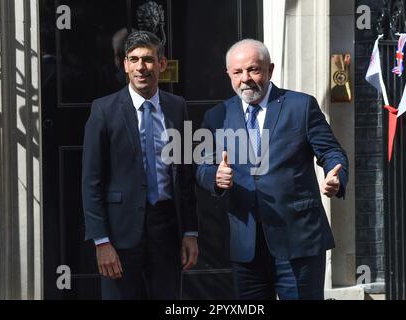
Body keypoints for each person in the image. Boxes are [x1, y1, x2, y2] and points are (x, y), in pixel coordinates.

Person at [196, 39, 348, 300]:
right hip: (246, 245)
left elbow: (332, 151)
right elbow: (203, 167)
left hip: (298, 239)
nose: (246, 79)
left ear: (270, 69)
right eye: (238, 72)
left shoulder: (300, 106)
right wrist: (215, 177)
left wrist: (335, 173)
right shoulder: (217, 116)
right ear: (229, 75)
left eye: (254, 69)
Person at [82, 30, 198, 300]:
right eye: (133, 60)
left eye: (147, 59)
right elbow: (91, 181)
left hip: (166, 230)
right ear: (124, 65)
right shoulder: (103, 110)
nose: (140, 67)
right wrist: (101, 241)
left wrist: (190, 232)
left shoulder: (177, 107)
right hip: (119, 235)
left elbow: (184, 175)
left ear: (162, 64)